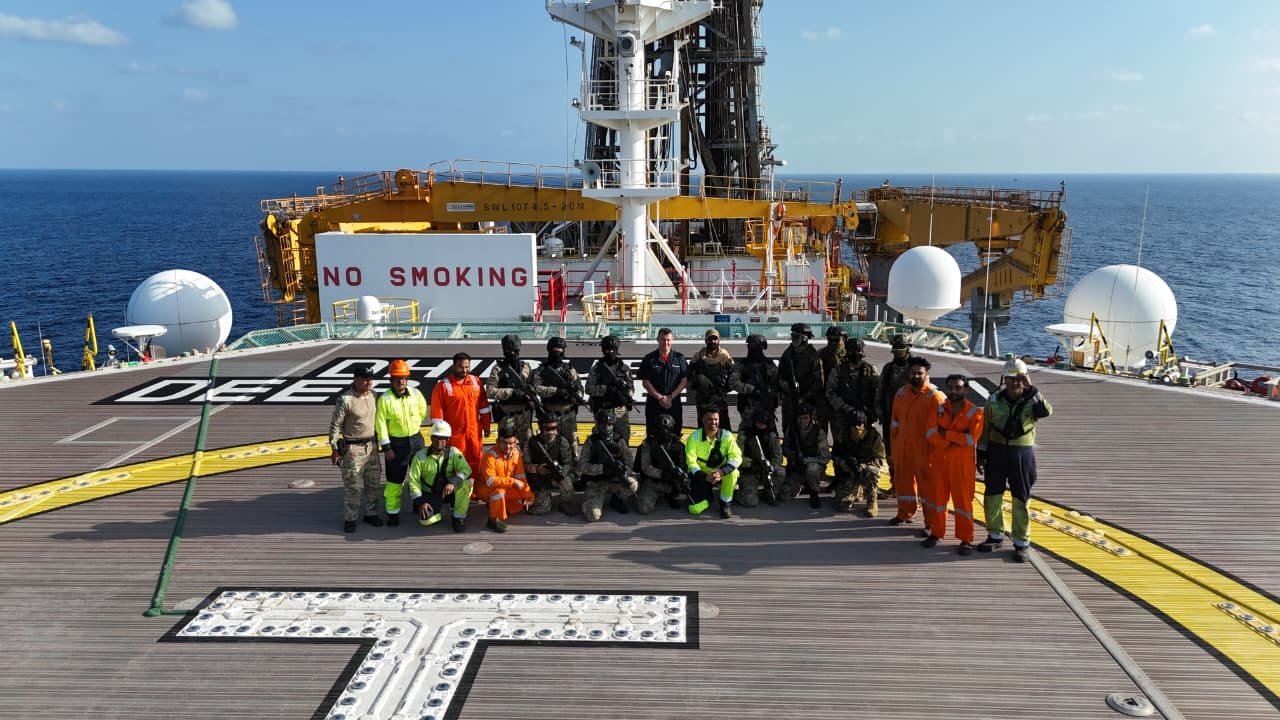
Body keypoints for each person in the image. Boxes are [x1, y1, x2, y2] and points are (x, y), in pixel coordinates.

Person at [977, 355, 1053, 563]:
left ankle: (1021, 542)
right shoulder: (994, 400)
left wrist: (1032, 389)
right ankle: (995, 535)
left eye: (1020, 378)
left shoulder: (1032, 400)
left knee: (1021, 498)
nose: (1016, 382)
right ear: (1005, 379)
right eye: (1011, 378)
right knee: (992, 495)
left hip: (1021, 453)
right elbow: (986, 428)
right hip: (996, 452)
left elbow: (1046, 412)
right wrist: (981, 453)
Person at [924, 375, 984, 554]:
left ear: (966, 389)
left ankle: (966, 539)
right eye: (950, 388)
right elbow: (930, 433)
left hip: (962, 465)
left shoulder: (975, 412)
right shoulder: (939, 409)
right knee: (938, 500)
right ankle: (936, 533)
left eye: (958, 388)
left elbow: (971, 439)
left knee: (963, 502)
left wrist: (946, 434)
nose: (953, 391)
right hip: (940, 462)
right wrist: (953, 440)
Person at [888, 356, 944, 529]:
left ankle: (931, 523)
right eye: (913, 373)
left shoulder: (935, 397)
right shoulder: (901, 394)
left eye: (920, 373)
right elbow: (895, 421)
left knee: (928, 488)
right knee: (903, 483)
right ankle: (905, 512)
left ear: (926, 374)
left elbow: (942, 428)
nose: (916, 376)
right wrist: (894, 446)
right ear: (908, 373)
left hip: (925, 451)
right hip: (903, 449)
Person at [326, 367, 383, 533]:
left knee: (373, 483)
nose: (369, 382)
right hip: (352, 448)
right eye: (365, 379)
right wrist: (335, 449)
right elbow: (335, 426)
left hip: (372, 447)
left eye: (370, 378)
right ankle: (350, 518)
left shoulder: (375, 396)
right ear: (356, 379)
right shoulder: (346, 399)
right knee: (353, 486)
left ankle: (371, 513)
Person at [377, 358, 429, 526]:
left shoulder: (415, 394)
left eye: (404, 378)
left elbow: (422, 411)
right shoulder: (385, 399)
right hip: (396, 445)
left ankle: (418, 504)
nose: (401, 382)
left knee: (419, 476)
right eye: (398, 378)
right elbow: (380, 424)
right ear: (391, 379)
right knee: (395, 480)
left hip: (416, 440)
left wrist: (414, 426)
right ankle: (393, 513)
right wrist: (387, 447)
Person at [430, 352, 492, 474]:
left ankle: (474, 485)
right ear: (453, 366)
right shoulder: (442, 387)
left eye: (467, 367)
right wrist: (440, 437)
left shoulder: (476, 382)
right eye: (461, 367)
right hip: (455, 436)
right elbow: (437, 416)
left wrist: (486, 426)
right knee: (455, 463)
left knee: (476, 461)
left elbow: (484, 407)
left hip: (474, 434)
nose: (464, 370)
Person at [406, 419, 473, 533]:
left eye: (442, 438)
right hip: (430, 493)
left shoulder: (453, 453)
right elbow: (413, 482)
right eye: (436, 438)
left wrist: (453, 483)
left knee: (467, 484)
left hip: (448, 491)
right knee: (427, 520)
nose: (439, 441)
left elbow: (466, 469)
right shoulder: (420, 456)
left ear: (447, 440)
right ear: (431, 438)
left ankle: (458, 518)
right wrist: (421, 502)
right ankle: (433, 510)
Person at [578, 412, 638, 521]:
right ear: (598, 425)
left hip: (614, 481)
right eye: (603, 424)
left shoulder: (619, 440)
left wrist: (623, 471)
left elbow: (629, 462)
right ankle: (590, 502)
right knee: (593, 516)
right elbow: (582, 466)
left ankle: (617, 498)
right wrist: (602, 469)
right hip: (596, 482)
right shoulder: (591, 441)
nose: (606, 428)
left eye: (609, 424)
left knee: (632, 484)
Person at [684, 406, 743, 518]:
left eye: (716, 419)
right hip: (702, 474)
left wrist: (722, 471)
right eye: (710, 419)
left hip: (720, 472)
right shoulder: (694, 437)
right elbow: (691, 462)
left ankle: (725, 503)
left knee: (734, 473)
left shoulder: (727, 435)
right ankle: (708, 497)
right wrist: (705, 477)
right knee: (694, 509)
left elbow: (737, 457)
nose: (713, 422)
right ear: (703, 420)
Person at [533, 336, 584, 456]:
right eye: (555, 350)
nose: (558, 353)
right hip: (550, 415)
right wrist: (556, 391)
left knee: (572, 449)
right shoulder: (541, 371)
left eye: (561, 350)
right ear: (549, 350)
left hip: (568, 415)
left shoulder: (569, 370)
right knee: (550, 449)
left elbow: (580, 389)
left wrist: (573, 395)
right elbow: (536, 388)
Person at [477, 426, 534, 533]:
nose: (508, 446)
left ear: (515, 443)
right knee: (499, 493)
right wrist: (513, 481)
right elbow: (490, 481)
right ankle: (493, 520)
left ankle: (497, 506)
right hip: (486, 489)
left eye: (511, 443)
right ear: (497, 442)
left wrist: (528, 495)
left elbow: (521, 477)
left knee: (523, 500)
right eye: (504, 443)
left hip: (505, 485)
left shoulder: (516, 453)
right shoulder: (489, 456)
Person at [877, 334, 916, 488]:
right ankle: (895, 484)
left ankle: (910, 486)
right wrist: (880, 411)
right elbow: (880, 391)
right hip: (890, 418)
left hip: (910, 420)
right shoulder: (888, 369)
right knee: (891, 453)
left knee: (909, 454)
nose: (898, 350)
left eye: (901, 347)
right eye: (896, 347)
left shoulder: (916, 369)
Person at [831, 411, 887, 517]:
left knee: (871, 473)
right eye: (854, 425)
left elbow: (881, 459)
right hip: (849, 471)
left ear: (864, 424)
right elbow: (835, 455)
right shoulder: (842, 435)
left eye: (860, 424)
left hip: (867, 469)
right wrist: (843, 463)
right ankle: (856, 492)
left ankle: (872, 502)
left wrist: (864, 466)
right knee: (842, 505)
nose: (857, 427)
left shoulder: (873, 436)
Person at [486, 334, 537, 448]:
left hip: (524, 416)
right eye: (509, 351)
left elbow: (534, 386)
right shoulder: (498, 369)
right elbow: (490, 391)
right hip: (507, 416)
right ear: (504, 351)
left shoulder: (526, 367)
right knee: (505, 449)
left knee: (528, 450)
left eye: (516, 350)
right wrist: (512, 392)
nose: (513, 353)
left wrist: (531, 394)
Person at [826, 337, 880, 443]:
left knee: (867, 443)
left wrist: (870, 411)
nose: (855, 356)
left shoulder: (871, 370)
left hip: (865, 416)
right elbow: (830, 392)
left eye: (857, 352)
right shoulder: (838, 370)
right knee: (842, 444)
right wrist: (846, 408)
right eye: (852, 352)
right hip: (843, 416)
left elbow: (878, 392)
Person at [524, 415, 578, 516]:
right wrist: (537, 469)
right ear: (541, 427)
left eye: (554, 428)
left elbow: (568, 463)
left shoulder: (562, 442)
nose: (551, 431)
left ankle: (565, 502)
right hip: (538, 478)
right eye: (548, 428)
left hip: (555, 475)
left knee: (567, 482)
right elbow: (525, 465)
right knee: (542, 509)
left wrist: (560, 471)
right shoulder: (531, 443)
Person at [635, 413, 690, 513]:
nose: (664, 432)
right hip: (653, 481)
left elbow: (683, 465)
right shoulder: (648, 443)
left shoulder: (679, 445)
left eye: (667, 429)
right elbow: (645, 467)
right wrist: (661, 474)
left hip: (672, 481)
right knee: (643, 508)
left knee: (684, 494)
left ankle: (670, 494)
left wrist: (681, 475)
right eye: (661, 429)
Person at [778, 322, 824, 441]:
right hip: (789, 400)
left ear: (805, 338)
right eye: (792, 336)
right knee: (788, 430)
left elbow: (819, 382)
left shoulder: (813, 356)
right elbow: (779, 375)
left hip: (808, 401)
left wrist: (804, 397)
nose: (793, 339)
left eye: (796, 337)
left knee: (808, 433)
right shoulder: (788, 353)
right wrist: (785, 385)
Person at [638, 327, 689, 433]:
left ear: (672, 340)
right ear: (658, 339)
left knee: (675, 434)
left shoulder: (679, 358)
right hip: (654, 403)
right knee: (653, 435)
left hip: (674, 403)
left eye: (668, 340)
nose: (666, 342)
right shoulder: (649, 359)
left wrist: (670, 397)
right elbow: (645, 381)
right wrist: (660, 398)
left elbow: (684, 381)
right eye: (663, 339)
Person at [586, 335, 635, 442]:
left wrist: (625, 393)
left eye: (613, 349)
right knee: (601, 441)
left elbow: (631, 389)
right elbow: (589, 388)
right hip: (602, 410)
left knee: (623, 439)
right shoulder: (597, 369)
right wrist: (606, 389)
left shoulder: (624, 369)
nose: (610, 352)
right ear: (603, 350)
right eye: (607, 349)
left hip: (619, 410)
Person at [781, 404, 829, 508]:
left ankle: (814, 492)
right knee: (784, 495)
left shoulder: (818, 432)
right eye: (800, 418)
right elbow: (784, 448)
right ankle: (800, 486)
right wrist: (793, 455)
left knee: (812, 469)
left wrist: (807, 460)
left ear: (811, 418)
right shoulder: (792, 429)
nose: (803, 421)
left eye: (806, 418)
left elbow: (825, 458)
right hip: (796, 467)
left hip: (813, 468)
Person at [735, 409, 783, 507]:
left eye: (763, 423)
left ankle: (768, 493)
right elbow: (737, 456)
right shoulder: (744, 435)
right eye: (759, 422)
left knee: (780, 472)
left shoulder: (771, 436)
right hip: (749, 471)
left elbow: (778, 456)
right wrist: (750, 463)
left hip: (766, 470)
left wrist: (771, 466)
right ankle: (738, 494)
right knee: (750, 502)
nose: (761, 425)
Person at [687, 328, 735, 425]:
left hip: (719, 397)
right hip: (703, 399)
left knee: (723, 426)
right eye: (710, 339)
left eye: (715, 339)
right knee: (703, 427)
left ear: (719, 340)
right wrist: (699, 382)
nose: (713, 341)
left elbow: (734, 374)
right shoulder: (698, 356)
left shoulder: (724, 355)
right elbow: (689, 375)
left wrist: (726, 388)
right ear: (706, 341)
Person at [734, 334, 778, 433]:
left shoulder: (769, 365)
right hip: (748, 407)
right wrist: (752, 389)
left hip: (766, 407)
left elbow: (776, 383)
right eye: (750, 346)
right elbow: (733, 383)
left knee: (771, 436)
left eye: (755, 346)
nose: (752, 349)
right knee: (746, 435)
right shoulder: (742, 365)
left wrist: (770, 394)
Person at [816, 325, 846, 439]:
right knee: (819, 437)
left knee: (840, 439)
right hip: (821, 402)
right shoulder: (819, 355)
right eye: (830, 340)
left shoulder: (848, 357)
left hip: (839, 403)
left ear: (844, 339)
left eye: (836, 340)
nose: (832, 343)